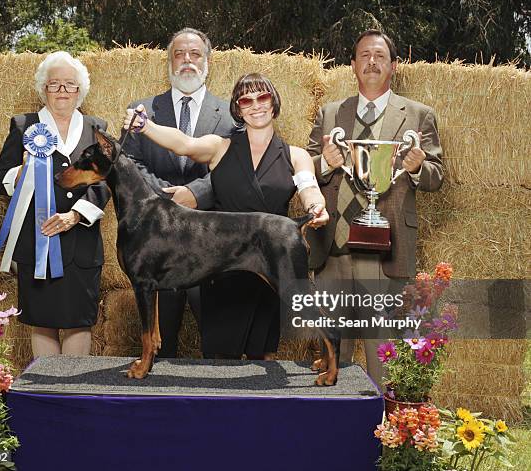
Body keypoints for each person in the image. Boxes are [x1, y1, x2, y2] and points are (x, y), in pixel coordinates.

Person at [124, 73, 329, 360]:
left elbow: (310, 190)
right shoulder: (220, 147)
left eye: (263, 97)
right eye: (247, 99)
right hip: (222, 268)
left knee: (263, 362)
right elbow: (182, 144)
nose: (256, 105)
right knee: (220, 360)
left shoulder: (296, 156)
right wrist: (147, 126)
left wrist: (316, 207)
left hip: (270, 263)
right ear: (238, 108)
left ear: (274, 102)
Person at [305, 29, 443, 387]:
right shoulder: (331, 112)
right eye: (364, 55)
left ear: (393, 66)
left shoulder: (419, 115)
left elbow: (436, 175)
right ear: (352, 65)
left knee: (381, 350)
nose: (372, 62)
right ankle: (332, 431)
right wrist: (325, 163)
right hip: (333, 250)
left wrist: (415, 167)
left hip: (386, 249)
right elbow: (306, 169)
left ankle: (381, 432)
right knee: (333, 348)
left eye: (380, 56)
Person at [121, 27, 238, 358]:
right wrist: (162, 196)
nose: (187, 61)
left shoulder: (231, 114)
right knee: (161, 348)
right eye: (179, 54)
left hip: (211, 246)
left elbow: (236, 171)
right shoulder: (142, 110)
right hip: (158, 247)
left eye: (195, 54)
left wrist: (196, 193)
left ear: (208, 62)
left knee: (221, 348)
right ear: (169, 62)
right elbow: (127, 163)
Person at [0, 51, 110, 357]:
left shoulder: (97, 128)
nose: (62, 91)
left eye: (69, 85)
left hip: (81, 241)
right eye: (54, 84)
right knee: (42, 321)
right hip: (37, 241)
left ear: (80, 90)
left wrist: (75, 215)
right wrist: (20, 173)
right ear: (43, 89)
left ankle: (73, 393)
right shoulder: (23, 126)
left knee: (78, 322)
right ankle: (47, 396)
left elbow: (106, 182)